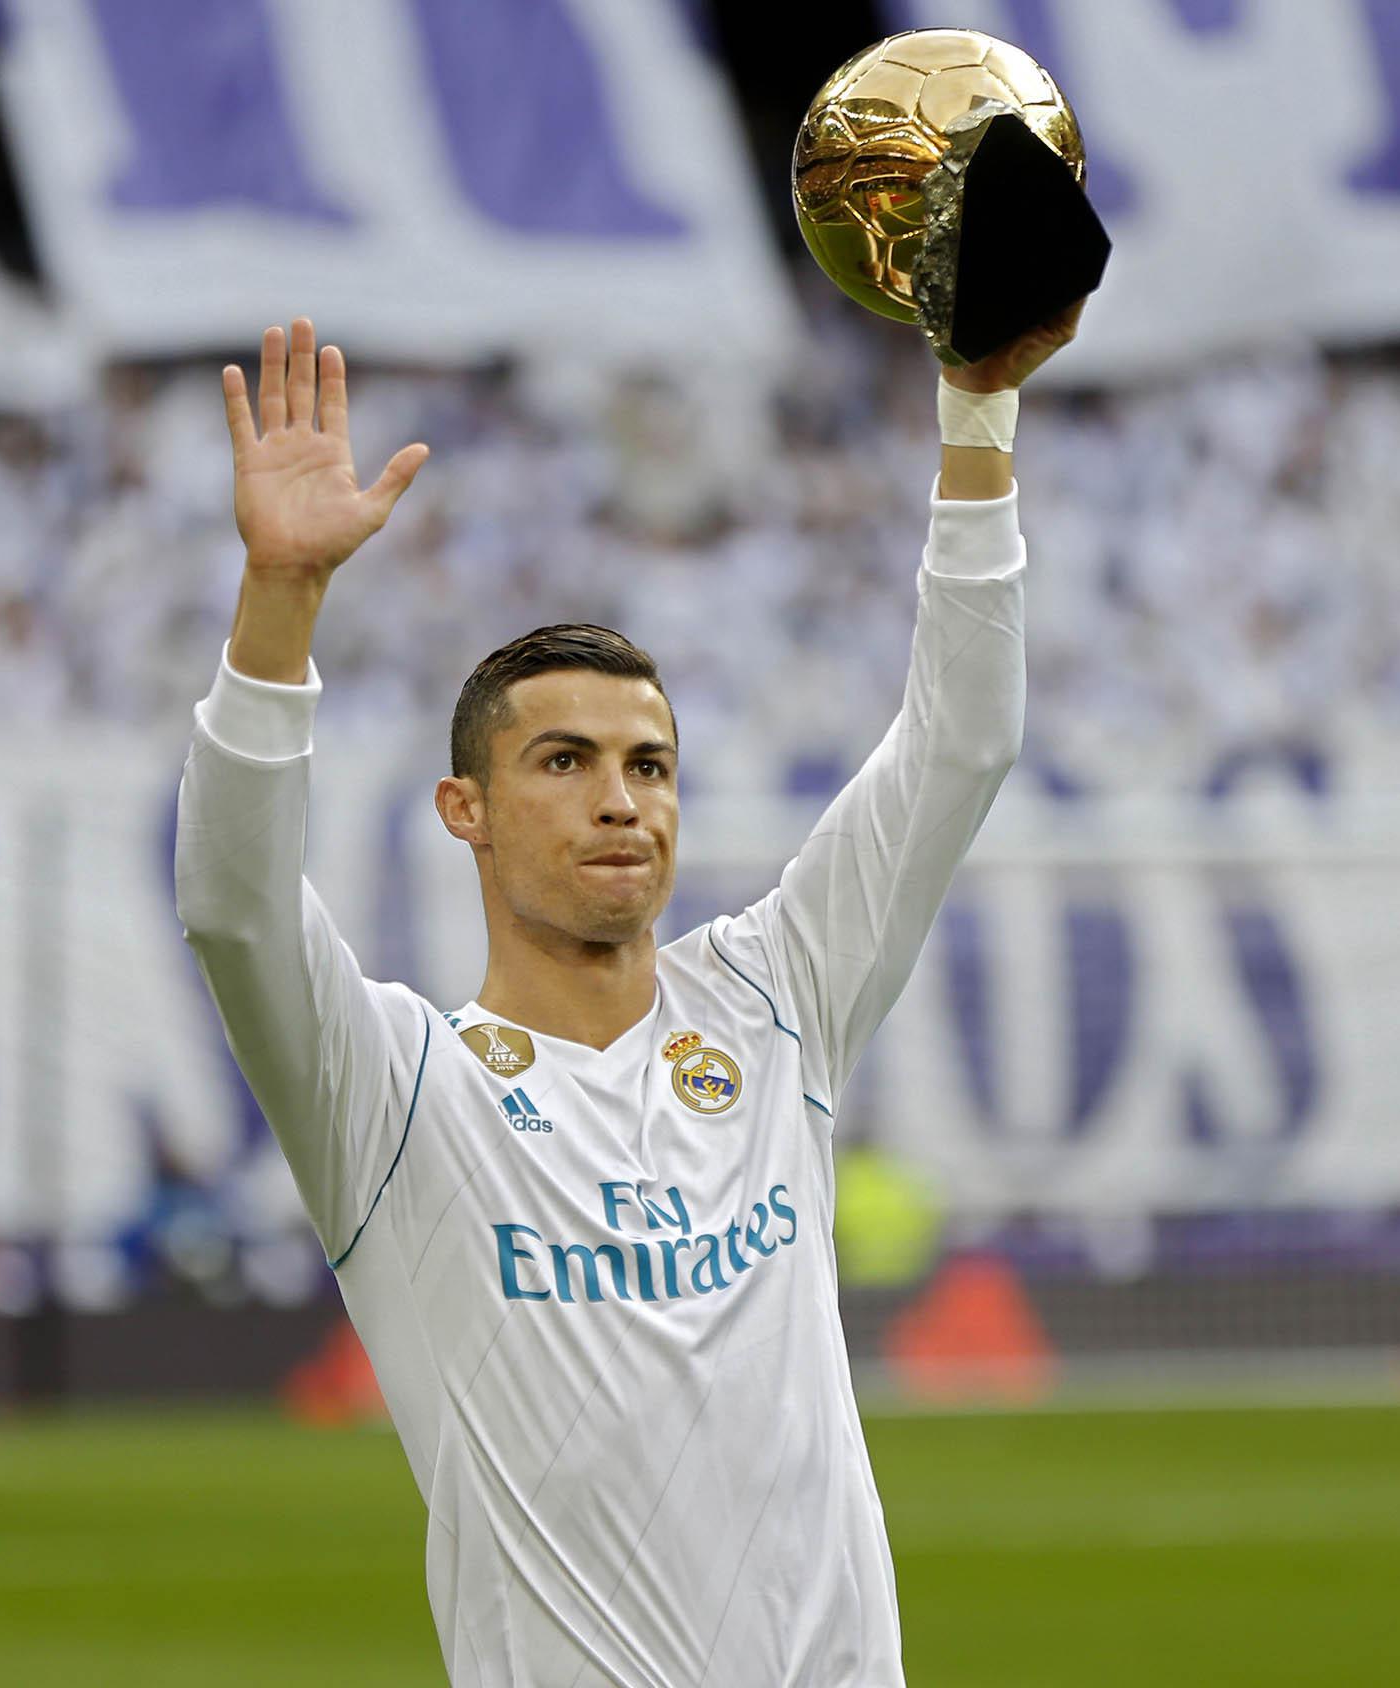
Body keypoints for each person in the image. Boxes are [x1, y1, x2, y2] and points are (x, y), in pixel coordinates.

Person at [175, 307, 1078, 1683]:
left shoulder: (776, 1000)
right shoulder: (402, 1094)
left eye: (650, 766)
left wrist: (978, 412)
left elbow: (962, 742)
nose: (619, 800)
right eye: (565, 763)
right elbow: (234, 911)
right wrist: (281, 599)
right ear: (462, 809)